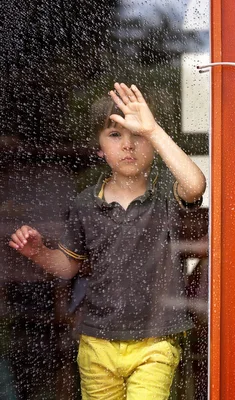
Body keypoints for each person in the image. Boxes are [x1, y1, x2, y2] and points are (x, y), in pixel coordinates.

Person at [8, 82, 206, 399]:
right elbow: (67, 267)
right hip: (97, 343)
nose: (128, 145)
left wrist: (152, 128)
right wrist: (37, 252)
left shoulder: (166, 196)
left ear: (153, 144)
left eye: (138, 135)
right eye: (115, 135)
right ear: (100, 148)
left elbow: (194, 185)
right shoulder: (85, 205)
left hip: (155, 341)